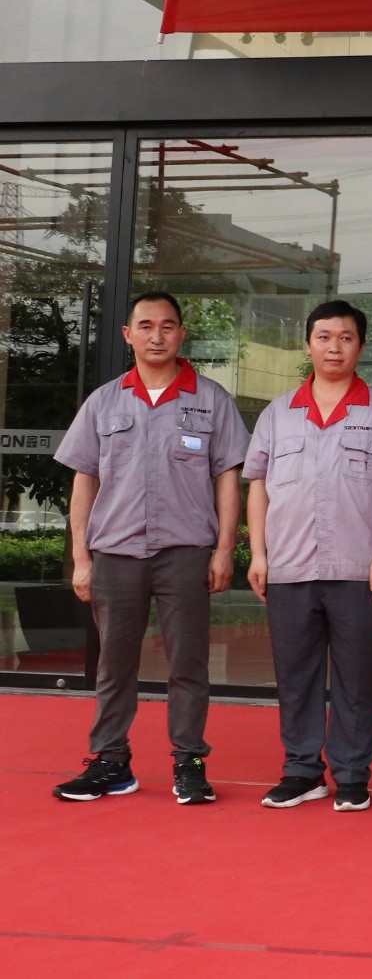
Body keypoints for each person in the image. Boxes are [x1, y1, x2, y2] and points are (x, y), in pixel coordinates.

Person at [51, 291, 248, 805]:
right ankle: (111, 761)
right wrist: (81, 558)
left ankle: (189, 761)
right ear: (128, 335)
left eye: (167, 326)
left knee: (188, 664)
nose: (156, 336)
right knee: (114, 665)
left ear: (181, 333)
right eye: (145, 326)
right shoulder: (104, 401)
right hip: (116, 553)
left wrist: (224, 549)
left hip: (186, 552)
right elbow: (84, 482)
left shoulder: (211, 400)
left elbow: (228, 479)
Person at [242, 300, 372, 813]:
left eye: (346, 338)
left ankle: (353, 775)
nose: (335, 347)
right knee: (295, 675)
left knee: (357, 678)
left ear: (361, 346)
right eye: (324, 337)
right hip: (288, 566)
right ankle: (301, 772)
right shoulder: (277, 413)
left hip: (358, 567)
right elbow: (257, 484)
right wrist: (259, 553)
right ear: (308, 344)